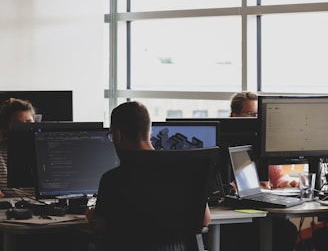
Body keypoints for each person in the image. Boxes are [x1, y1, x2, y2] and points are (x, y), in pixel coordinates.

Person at [85, 101, 211, 250]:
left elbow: (102, 227)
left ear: (118, 135)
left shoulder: (113, 180)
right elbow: (205, 220)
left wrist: (92, 217)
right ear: (149, 131)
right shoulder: (185, 171)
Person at [219, 91, 299, 251]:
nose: (256, 119)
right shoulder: (223, 142)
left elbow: (278, 179)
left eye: (258, 115)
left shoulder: (261, 143)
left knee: (286, 230)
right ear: (234, 115)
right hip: (233, 214)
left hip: (260, 210)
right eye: (252, 114)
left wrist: (289, 183)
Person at [0, 98, 36, 198]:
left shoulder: (44, 148)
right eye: (18, 124)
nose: (25, 129)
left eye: (29, 123)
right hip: (11, 207)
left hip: (47, 204)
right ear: (5, 127)